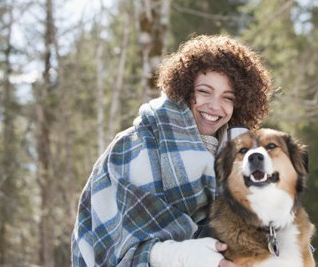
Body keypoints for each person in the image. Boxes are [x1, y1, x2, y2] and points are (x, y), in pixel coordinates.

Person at [71, 35, 273, 266]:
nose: (215, 106)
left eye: (227, 97)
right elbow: (111, 244)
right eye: (204, 92)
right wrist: (181, 256)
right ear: (185, 89)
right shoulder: (134, 146)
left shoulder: (241, 156)